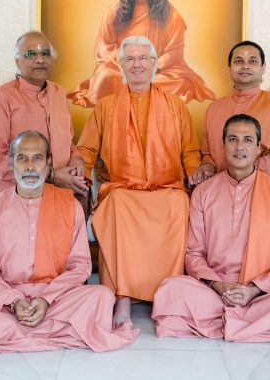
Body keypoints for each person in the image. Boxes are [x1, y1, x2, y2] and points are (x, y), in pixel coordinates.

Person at [0, 131, 137, 354]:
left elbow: (80, 267)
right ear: (11, 164)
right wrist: (14, 301)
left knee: (102, 297)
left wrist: (46, 299)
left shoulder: (69, 206)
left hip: (55, 299)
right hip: (8, 300)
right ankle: (60, 332)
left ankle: (16, 335)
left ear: (48, 165)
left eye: (37, 158)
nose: (29, 166)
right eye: (22, 158)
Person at [152, 114, 270, 343]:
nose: (240, 146)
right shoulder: (203, 193)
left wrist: (255, 289)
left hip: (264, 293)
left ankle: (227, 324)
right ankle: (255, 326)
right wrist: (219, 285)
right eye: (233, 139)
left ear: (259, 148)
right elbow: (193, 253)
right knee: (171, 289)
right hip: (216, 291)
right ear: (223, 145)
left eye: (248, 140)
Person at [77, 35, 201, 328]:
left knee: (180, 203)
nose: (137, 65)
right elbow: (86, 150)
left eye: (143, 58)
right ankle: (122, 297)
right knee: (117, 205)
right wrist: (79, 173)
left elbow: (190, 151)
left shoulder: (175, 106)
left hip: (166, 188)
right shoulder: (105, 107)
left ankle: (168, 298)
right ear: (120, 65)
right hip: (122, 188)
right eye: (130, 59)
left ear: (154, 64)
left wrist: (196, 172)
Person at [69, 0, 215, 107]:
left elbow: (175, 50)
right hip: (123, 69)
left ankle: (139, 91)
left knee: (181, 82)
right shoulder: (114, 12)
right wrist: (129, 65)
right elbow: (104, 49)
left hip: (158, 71)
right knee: (105, 75)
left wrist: (153, 66)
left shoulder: (169, 13)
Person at [0, 31, 88, 200]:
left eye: (45, 53)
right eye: (31, 54)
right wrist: (51, 176)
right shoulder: (0, 99)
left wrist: (77, 158)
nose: (40, 59)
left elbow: (66, 141)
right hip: (12, 196)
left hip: (56, 195)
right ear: (17, 61)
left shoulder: (58, 93)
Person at [192, 40, 270, 185]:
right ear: (229, 68)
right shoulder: (214, 108)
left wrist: (237, 174)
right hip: (220, 192)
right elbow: (207, 154)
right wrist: (207, 167)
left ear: (263, 67)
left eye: (252, 61)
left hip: (263, 189)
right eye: (238, 61)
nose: (245, 66)